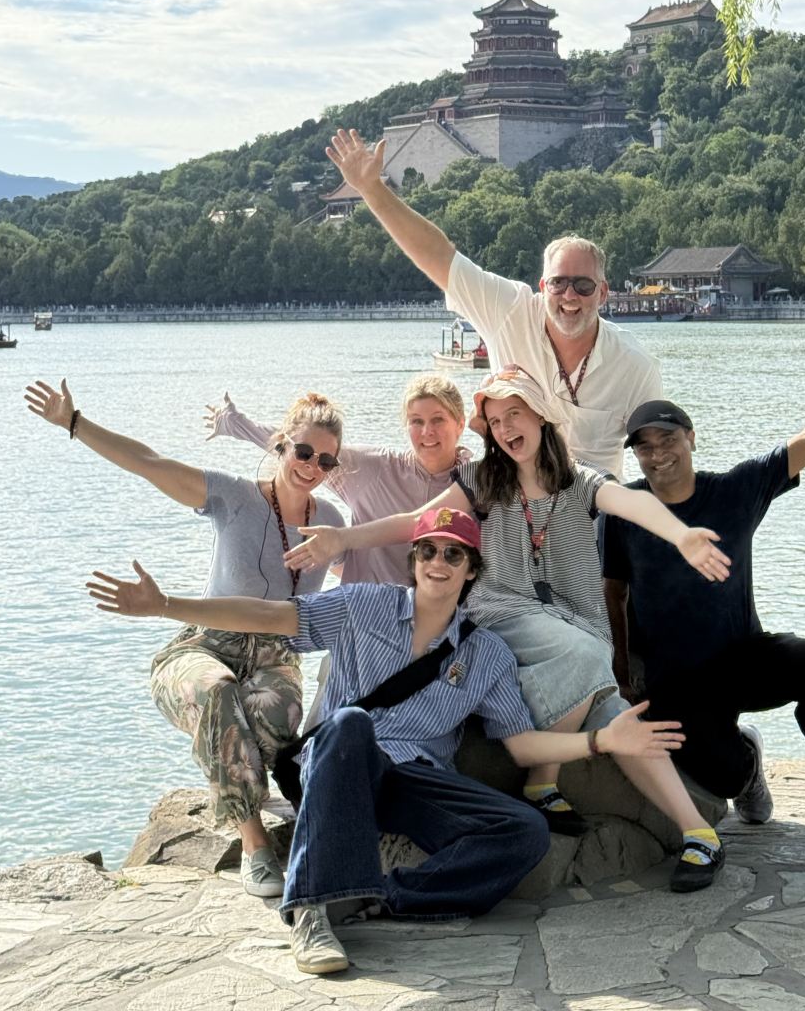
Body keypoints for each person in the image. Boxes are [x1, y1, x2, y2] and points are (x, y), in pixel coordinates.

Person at [86, 507, 687, 976]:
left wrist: (603, 739)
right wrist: (167, 606)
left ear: (471, 570)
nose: (439, 562)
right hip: (340, 761)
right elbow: (269, 616)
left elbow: (522, 747)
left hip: (414, 779)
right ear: (414, 559)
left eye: (455, 554)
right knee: (350, 723)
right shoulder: (361, 607)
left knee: (523, 833)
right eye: (428, 550)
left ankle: (386, 898)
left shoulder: (485, 654)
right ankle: (312, 912)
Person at [292, 367, 733, 892]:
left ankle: (699, 833)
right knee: (590, 659)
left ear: (542, 416)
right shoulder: (481, 481)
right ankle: (542, 782)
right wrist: (343, 540)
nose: (504, 428)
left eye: (514, 414)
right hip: (501, 612)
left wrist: (681, 535)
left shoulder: (580, 480)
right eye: (495, 420)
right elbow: (417, 523)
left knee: (613, 711)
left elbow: (633, 503)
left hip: (574, 620)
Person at [601, 345, 805, 856]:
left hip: (740, 659)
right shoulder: (626, 510)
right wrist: (623, 670)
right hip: (673, 680)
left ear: (690, 438)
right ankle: (749, 762)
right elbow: (614, 592)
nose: (657, 453)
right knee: (726, 780)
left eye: (667, 438)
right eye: (643, 447)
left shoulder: (736, 491)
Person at [24, 378, 347, 897]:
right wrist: (75, 424)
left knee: (273, 718)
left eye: (327, 461)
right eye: (304, 451)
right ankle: (255, 848)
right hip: (203, 646)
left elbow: (372, 572)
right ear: (281, 444)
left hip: (274, 657)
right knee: (217, 692)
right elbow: (149, 462)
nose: (312, 466)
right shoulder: (234, 496)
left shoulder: (330, 522)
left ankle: (244, 778)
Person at [324, 127, 663, 475]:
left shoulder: (635, 364)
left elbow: (660, 457)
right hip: (513, 507)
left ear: (604, 292)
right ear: (542, 286)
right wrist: (372, 189)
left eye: (583, 285)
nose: (570, 295)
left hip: (596, 514)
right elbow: (440, 257)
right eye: (559, 283)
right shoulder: (509, 310)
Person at [203, 373, 473, 583]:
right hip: (365, 618)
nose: (427, 431)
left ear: (460, 423)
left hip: (440, 626)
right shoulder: (374, 469)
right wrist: (233, 423)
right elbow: (298, 448)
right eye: (416, 421)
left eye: (438, 420)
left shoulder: (475, 483)